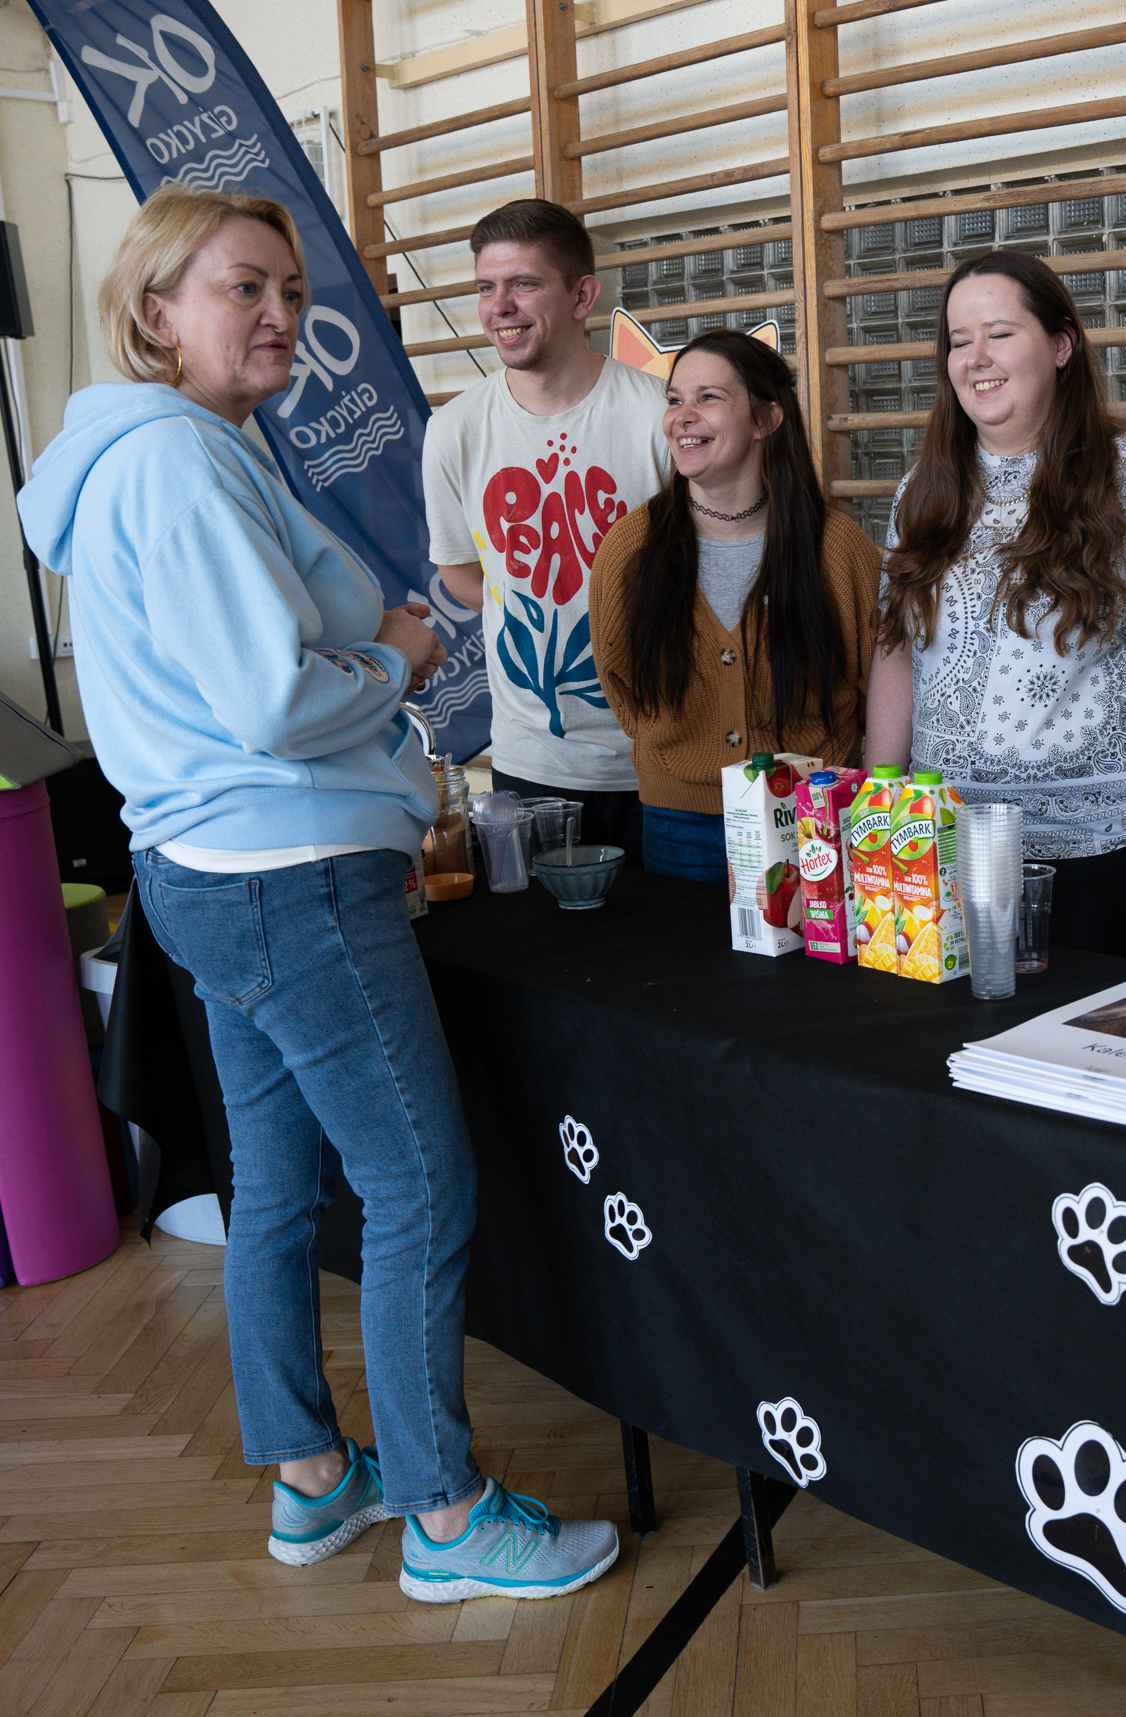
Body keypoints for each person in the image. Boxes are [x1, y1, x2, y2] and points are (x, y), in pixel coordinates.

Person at [18, 185, 618, 1604]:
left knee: (277, 1185)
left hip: (209, 871)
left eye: (290, 290)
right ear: (158, 311)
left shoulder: (159, 449)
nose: (281, 313)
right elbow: (273, 702)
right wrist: (403, 653)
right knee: (418, 1181)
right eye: (245, 288)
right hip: (284, 873)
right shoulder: (179, 461)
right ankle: (444, 1513)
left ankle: (308, 1475)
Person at [865, 252, 1126, 961]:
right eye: (958, 340)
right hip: (941, 838)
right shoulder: (923, 489)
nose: (976, 358)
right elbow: (896, 648)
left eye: (1000, 334)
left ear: (1061, 344)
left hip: (1102, 847)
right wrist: (879, 798)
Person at [422, 199, 669, 863]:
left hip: (662, 756)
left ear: (582, 295)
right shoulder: (453, 431)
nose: (499, 306)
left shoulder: (657, 416)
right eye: (485, 287)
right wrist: (535, 608)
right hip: (530, 760)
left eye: (524, 284)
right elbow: (460, 571)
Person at [588, 328, 879, 877]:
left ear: (766, 419)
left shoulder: (837, 549)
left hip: (814, 821)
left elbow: (880, 688)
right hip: (677, 824)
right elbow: (620, 686)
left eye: (709, 398)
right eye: (675, 399)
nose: (682, 417)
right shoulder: (630, 547)